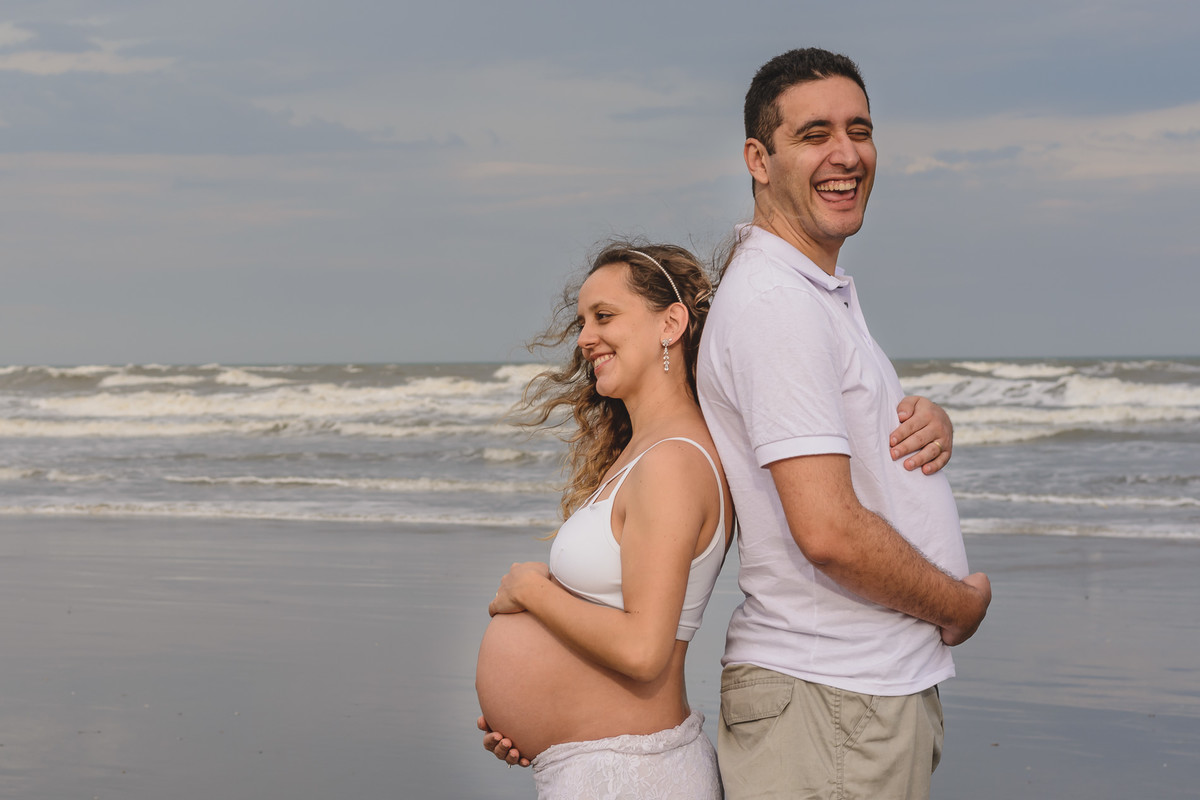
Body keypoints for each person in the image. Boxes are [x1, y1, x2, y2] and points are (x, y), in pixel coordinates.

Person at [696, 48, 992, 799]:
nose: (846, 154)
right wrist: (957, 607)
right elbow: (826, 530)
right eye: (814, 134)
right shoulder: (778, 304)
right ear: (758, 159)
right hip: (831, 700)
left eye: (859, 130)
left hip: (845, 701)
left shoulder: (811, 294)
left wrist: (929, 424)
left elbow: (851, 457)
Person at [474, 243, 732, 799]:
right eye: (582, 321)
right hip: (599, 768)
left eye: (605, 317)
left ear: (672, 323)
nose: (584, 338)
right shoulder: (646, 450)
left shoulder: (672, 463)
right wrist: (533, 721)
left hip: (630, 776)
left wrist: (531, 589)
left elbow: (643, 649)